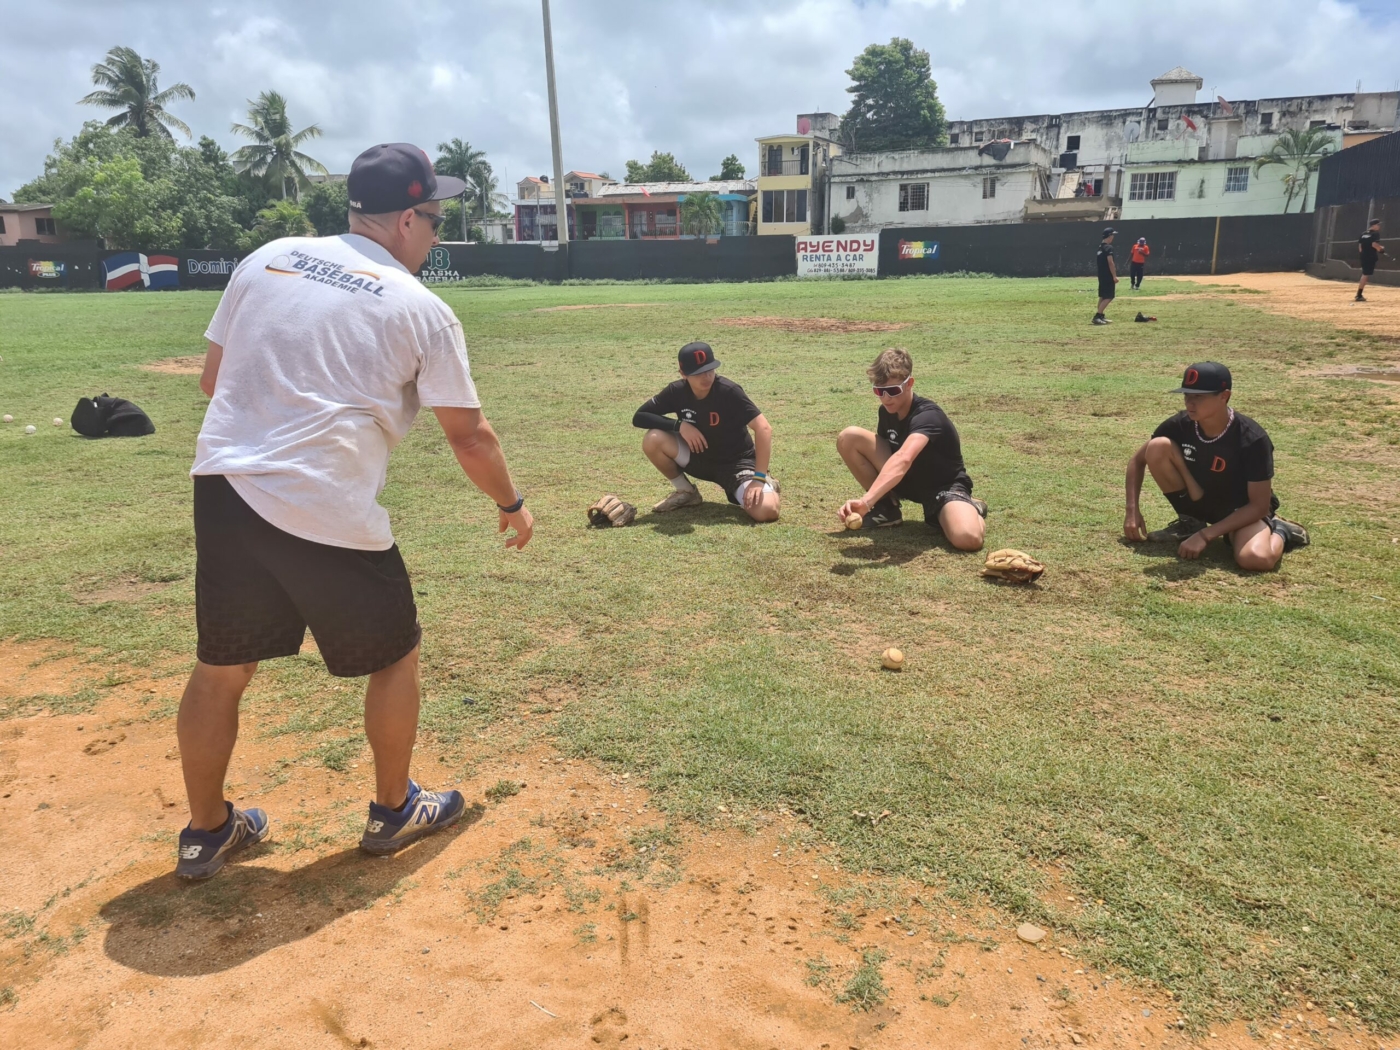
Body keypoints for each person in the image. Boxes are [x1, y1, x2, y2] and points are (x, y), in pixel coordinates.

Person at [175, 143, 535, 880]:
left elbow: (214, 381)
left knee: (221, 667)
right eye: (435, 220)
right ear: (406, 219)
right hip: (324, 502)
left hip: (224, 487)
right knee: (395, 655)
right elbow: (470, 436)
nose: (434, 235)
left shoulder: (269, 257)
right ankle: (394, 809)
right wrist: (512, 503)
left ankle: (205, 831)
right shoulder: (421, 307)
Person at [1123, 361, 1308, 571]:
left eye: (1199, 397)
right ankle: (1191, 522)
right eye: (1187, 395)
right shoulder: (1180, 424)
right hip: (1200, 501)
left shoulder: (1252, 438)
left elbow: (1259, 506)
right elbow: (1137, 461)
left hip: (1241, 511)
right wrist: (1132, 511)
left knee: (1255, 559)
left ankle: (1282, 531)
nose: (1190, 403)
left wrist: (1206, 536)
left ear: (1224, 396)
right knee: (1157, 446)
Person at [835, 348, 986, 550]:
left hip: (942, 488)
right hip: (908, 479)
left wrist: (866, 501)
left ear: (909, 384)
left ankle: (971, 508)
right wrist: (875, 499)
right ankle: (886, 510)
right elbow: (890, 454)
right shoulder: (886, 412)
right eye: (879, 391)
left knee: (967, 538)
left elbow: (904, 457)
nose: (886, 398)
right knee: (849, 437)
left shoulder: (928, 416)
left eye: (893, 390)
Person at [633, 341, 780, 522]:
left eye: (710, 369)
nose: (706, 376)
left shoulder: (729, 391)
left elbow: (764, 428)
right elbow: (639, 416)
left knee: (767, 511)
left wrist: (758, 478)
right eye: (698, 373)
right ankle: (686, 492)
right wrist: (680, 425)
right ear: (683, 374)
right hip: (698, 457)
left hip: (737, 465)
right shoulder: (676, 391)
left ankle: (766, 482)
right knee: (653, 438)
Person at [1093, 227, 1118, 324]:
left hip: (1101, 275)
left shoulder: (1100, 247)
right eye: (1112, 235)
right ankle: (1097, 316)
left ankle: (1101, 315)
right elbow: (1110, 262)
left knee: (1103, 296)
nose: (1113, 237)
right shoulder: (1108, 248)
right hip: (1107, 275)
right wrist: (1114, 276)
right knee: (1109, 296)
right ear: (1109, 236)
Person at [1356, 218, 1384, 302]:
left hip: (1363, 256)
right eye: (1378, 224)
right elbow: (1374, 244)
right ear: (1373, 225)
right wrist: (1381, 249)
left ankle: (1359, 294)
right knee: (1366, 274)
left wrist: (1363, 254)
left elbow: (1360, 247)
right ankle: (1359, 295)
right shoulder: (1375, 234)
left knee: (1365, 274)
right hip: (1370, 256)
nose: (1379, 226)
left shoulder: (1363, 234)